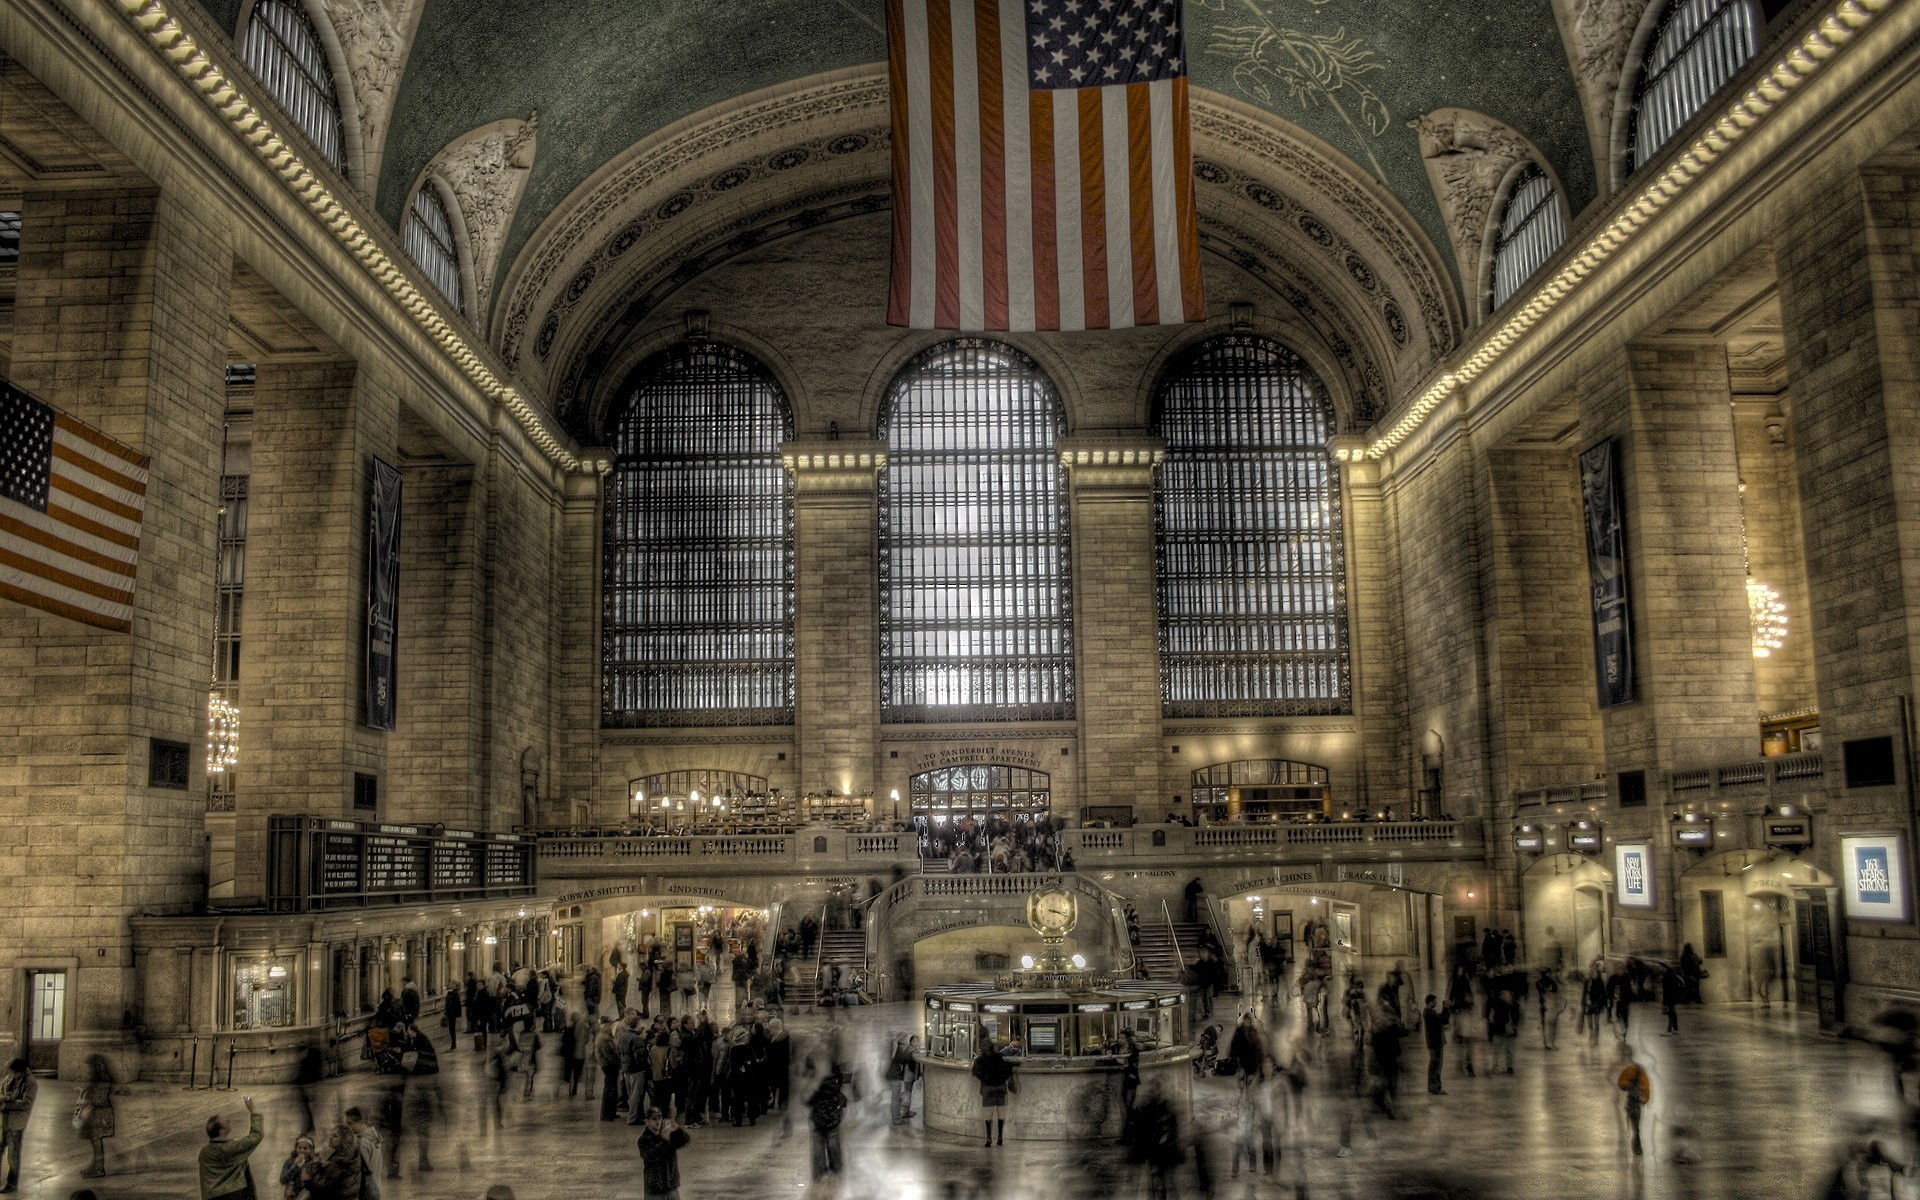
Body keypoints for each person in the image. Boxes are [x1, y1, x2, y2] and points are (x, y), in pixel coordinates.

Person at [198, 1095, 263, 1200]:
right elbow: (256, 1136)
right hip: (233, 1194)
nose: (229, 1121)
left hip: (212, 1196)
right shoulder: (231, 1148)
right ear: (222, 1131)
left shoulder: (204, 1152)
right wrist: (253, 1112)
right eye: (226, 1122)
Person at [0, 1058, 37, 1194]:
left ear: (19, 1071)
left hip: (16, 1123)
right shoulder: (10, 1078)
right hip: (3, 1121)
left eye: (12, 1072)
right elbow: (2, 1090)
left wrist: (7, 1104)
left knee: (13, 1156)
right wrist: (4, 1098)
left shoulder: (30, 1083)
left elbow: (26, 1103)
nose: (9, 1074)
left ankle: (12, 1183)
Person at [75, 1053, 114, 1178]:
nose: (88, 1070)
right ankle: (95, 1166)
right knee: (94, 1141)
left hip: (100, 1114)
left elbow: (99, 1098)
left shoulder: (102, 1079)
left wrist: (88, 1102)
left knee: (96, 1141)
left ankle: (99, 1168)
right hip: (97, 1113)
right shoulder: (99, 1078)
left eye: (90, 1067)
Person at [637, 1108, 689, 1200]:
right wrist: (665, 1141)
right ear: (647, 1121)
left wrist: (677, 1130)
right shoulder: (643, 1140)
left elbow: (685, 1141)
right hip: (655, 1189)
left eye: (659, 1118)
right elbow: (651, 1156)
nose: (658, 1122)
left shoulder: (668, 1134)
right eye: (654, 1119)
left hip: (671, 1186)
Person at [971, 1040, 1016, 1146]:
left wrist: (985, 1078)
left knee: (988, 1113)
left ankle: (989, 1138)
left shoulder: (980, 1060)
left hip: (988, 1088)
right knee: (1001, 1112)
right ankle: (1000, 1136)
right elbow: (1008, 1069)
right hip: (1000, 1087)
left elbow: (976, 1072)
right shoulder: (999, 1057)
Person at [805, 1068, 848, 1178]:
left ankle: (818, 1172)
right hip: (832, 1113)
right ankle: (836, 1169)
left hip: (818, 1113)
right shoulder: (834, 1087)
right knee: (833, 1142)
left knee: (818, 1142)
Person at [303, 1125, 361, 1200]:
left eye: (335, 1136)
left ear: (344, 1140)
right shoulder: (353, 1154)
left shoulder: (336, 1163)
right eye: (331, 1135)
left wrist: (310, 1178)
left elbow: (321, 1187)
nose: (330, 1138)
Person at [1615, 1045, 1652, 1156]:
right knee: (1636, 1126)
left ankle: (1636, 1144)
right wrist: (1644, 1099)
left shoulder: (1629, 1071)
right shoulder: (1639, 1074)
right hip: (1635, 1105)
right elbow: (1646, 1089)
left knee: (1635, 1125)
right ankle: (1636, 1145)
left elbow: (1621, 1083)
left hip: (1631, 1104)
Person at [885, 1032, 918, 1124]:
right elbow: (903, 1058)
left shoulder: (895, 1047)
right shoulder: (899, 1049)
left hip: (893, 1075)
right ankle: (896, 1119)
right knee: (895, 1099)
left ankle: (899, 1116)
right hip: (894, 1075)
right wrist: (914, 1052)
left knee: (896, 1098)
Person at [1421, 994, 1449, 1094]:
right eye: (1435, 1001)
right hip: (1435, 1043)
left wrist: (1444, 1009)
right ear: (1431, 1002)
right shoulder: (1429, 1013)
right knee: (1435, 1066)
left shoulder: (1430, 1012)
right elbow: (1444, 1020)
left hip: (1435, 1043)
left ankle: (1435, 1087)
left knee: (1435, 1066)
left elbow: (1440, 1017)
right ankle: (1435, 1088)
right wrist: (1446, 1008)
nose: (1436, 1003)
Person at [279, 1134, 317, 1200]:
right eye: (299, 1147)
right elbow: (283, 1180)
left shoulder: (314, 1162)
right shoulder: (290, 1161)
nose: (302, 1150)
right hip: (293, 1192)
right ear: (296, 1148)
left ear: (311, 1150)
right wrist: (294, 1165)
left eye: (305, 1148)